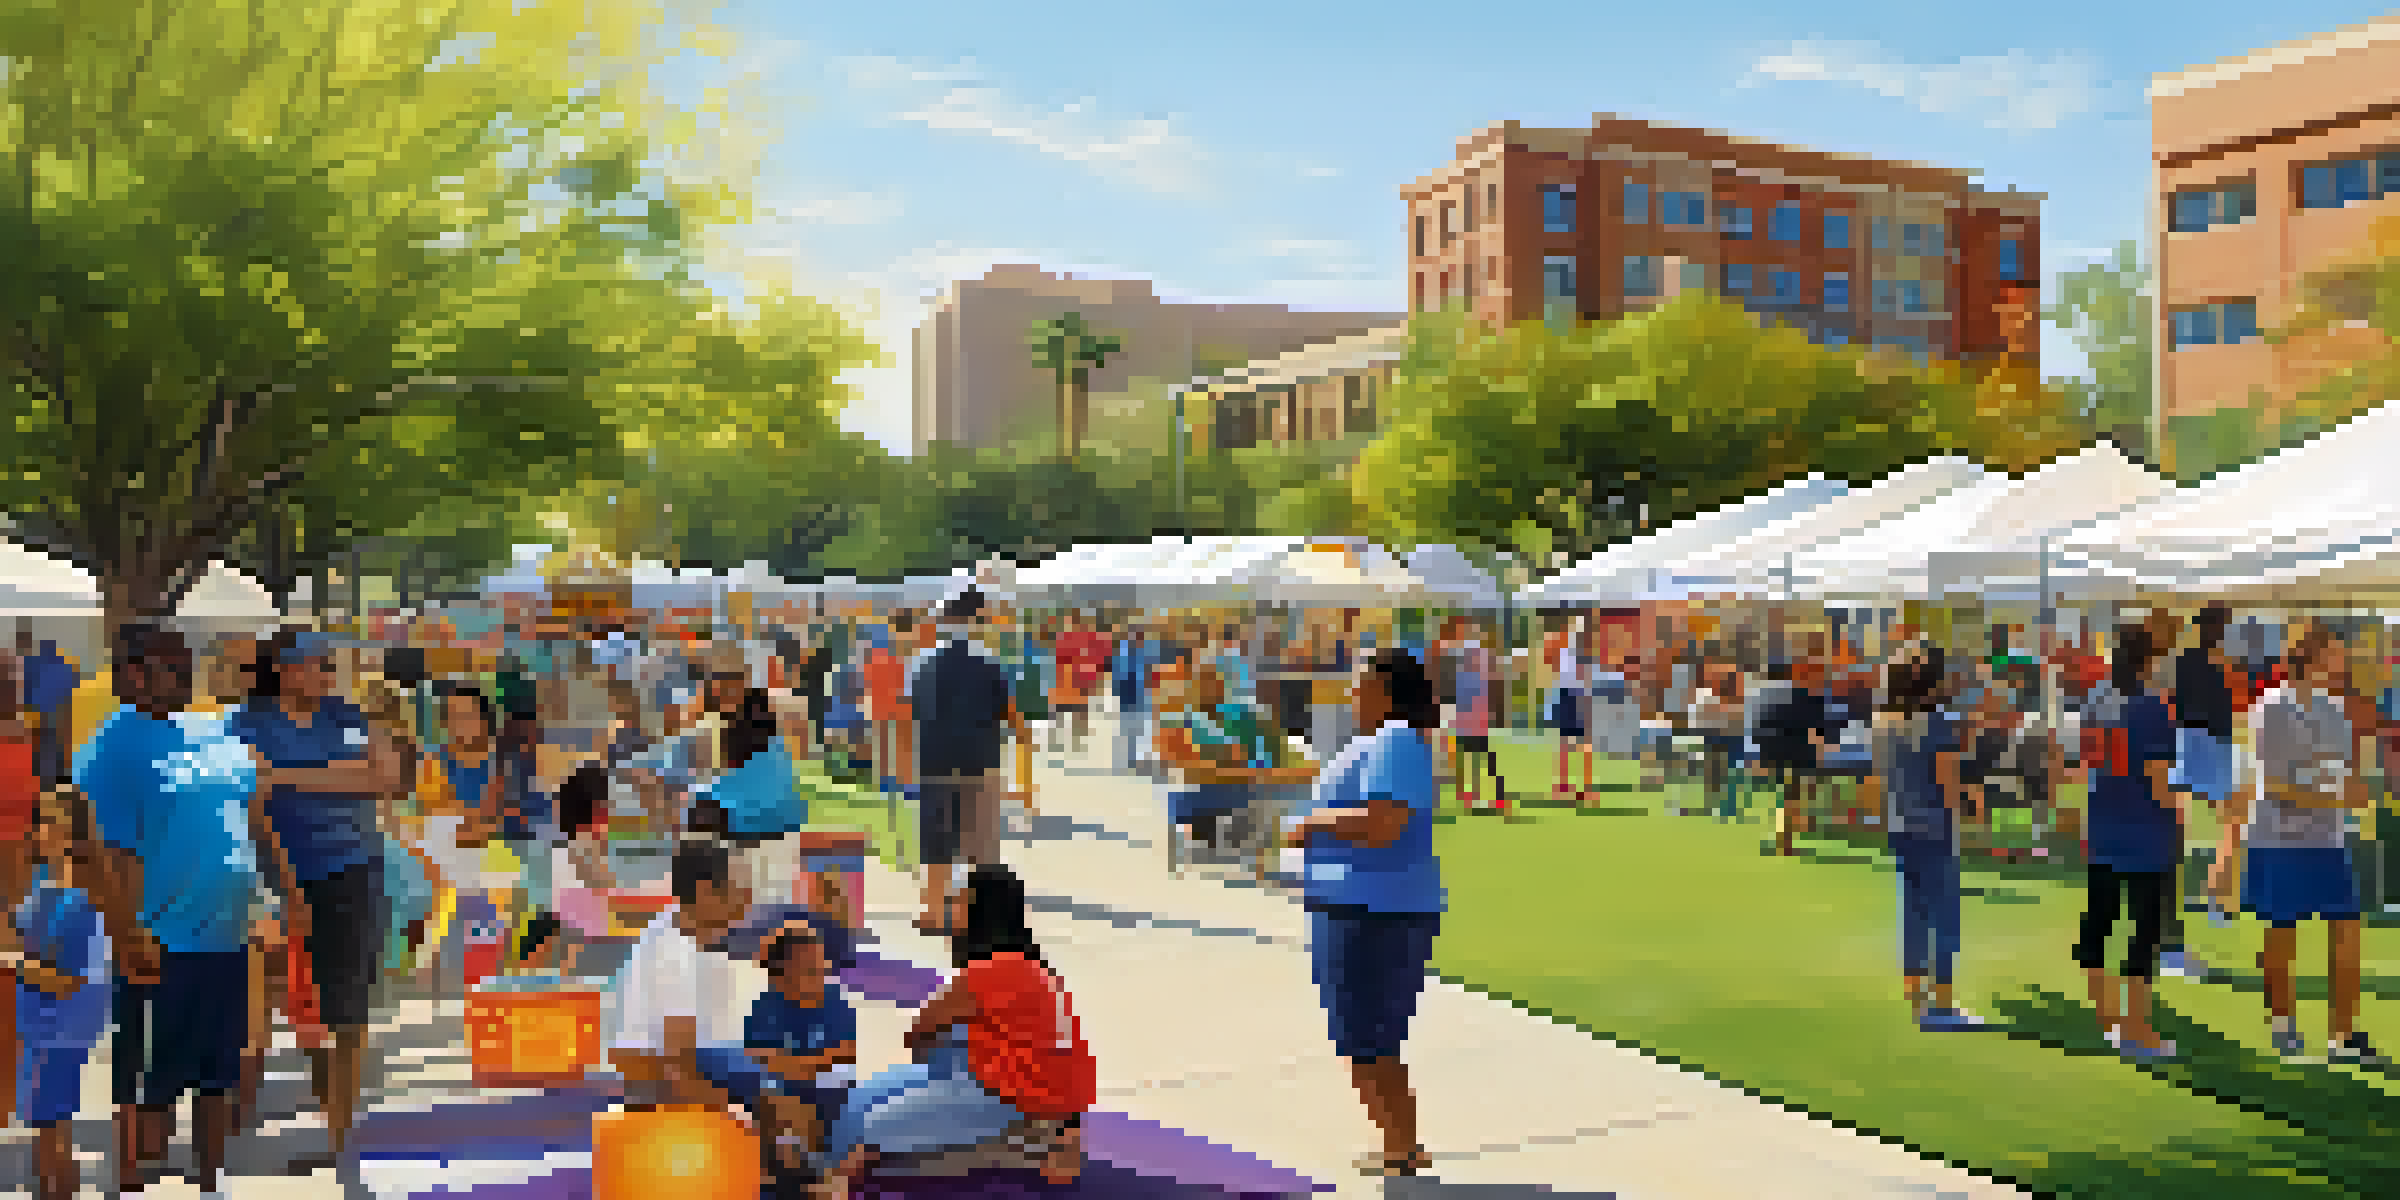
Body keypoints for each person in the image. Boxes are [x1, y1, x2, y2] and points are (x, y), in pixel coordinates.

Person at [76, 623, 262, 1198]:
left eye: (186, 666)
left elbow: (251, 811)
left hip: (227, 937)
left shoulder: (214, 731)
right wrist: (125, 934)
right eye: (171, 668)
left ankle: (211, 1182)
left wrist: (274, 897)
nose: (185, 677)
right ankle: (136, 1184)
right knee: (145, 1084)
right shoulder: (112, 747)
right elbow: (95, 853)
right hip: (158, 941)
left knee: (216, 1077)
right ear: (132, 673)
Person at [231, 629, 406, 1166]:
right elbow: (248, 794)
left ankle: (342, 1138)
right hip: (279, 881)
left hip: (355, 870)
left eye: (329, 666)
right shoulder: (245, 723)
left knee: (351, 1011)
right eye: (317, 665)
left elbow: (387, 779)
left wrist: (283, 775)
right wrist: (340, 777)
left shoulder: (347, 715)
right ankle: (324, 1117)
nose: (327, 675)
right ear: (286, 669)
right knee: (306, 1014)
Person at [814, 863, 1093, 1198]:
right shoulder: (1041, 972)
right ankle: (827, 1177)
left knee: (862, 1125)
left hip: (1002, 1098)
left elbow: (918, 1034)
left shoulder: (983, 974)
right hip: (1021, 1096)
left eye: (958, 904)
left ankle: (830, 1184)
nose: (950, 914)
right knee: (862, 1103)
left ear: (980, 913)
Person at [1282, 648, 1445, 1179]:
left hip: (1372, 909)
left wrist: (1313, 825)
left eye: (1361, 684)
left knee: (1367, 1041)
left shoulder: (1394, 740)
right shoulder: (1386, 742)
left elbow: (1383, 825)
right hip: (1362, 904)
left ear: (1388, 691)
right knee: (1365, 1040)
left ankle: (1402, 1152)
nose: (1353, 692)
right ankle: (1400, 1149)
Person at [2215, 626, 2384, 1065]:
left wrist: (2354, 790)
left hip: (2328, 838)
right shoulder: (2269, 707)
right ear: (2311, 656)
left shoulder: (2335, 709)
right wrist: (2337, 795)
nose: (2342, 662)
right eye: (2335, 653)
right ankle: (2283, 1024)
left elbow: (2342, 770)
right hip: (2276, 839)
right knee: (2281, 932)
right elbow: (2273, 785)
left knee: (2347, 927)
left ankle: (2344, 1034)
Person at [2072, 624, 2183, 1061]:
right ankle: (2137, 1030)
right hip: (2144, 830)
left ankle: (2107, 1020)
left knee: (2099, 921)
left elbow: (2086, 765)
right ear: (2150, 660)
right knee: (2144, 930)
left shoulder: (2096, 701)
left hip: (2102, 822)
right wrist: (2180, 810)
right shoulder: (2153, 708)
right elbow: (2158, 780)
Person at [903, 590, 1033, 934]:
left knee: (936, 840)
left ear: (944, 620)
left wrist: (903, 761)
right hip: (981, 760)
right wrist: (1024, 736)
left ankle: (933, 912)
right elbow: (1009, 713)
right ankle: (977, 917)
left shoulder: (921, 661)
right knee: (980, 844)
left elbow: (907, 714)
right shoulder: (991, 661)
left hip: (933, 761)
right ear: (978, 620)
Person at [7, 784, 112, 1200]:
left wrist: (11, 961)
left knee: (52, 1138)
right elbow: (27, 940)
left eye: (49, 822)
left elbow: (69, 980)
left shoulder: (82, 898)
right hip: (38, 1025)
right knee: (44, 1134)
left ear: (71, 832)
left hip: (60, 1029)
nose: (39, 831)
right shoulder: (41, 881)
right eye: (40, 822)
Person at [693, 919, 858, 1180]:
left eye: (821, 965)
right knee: (762, 1093)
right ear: (779, 975)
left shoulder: (835, 1002)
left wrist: (801, 1065)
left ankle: (809, 1163)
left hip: (828, 1101)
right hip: (779, 1103)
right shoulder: (765, 1008)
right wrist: (811, 1063)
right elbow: (762, 1064)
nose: (820, 972)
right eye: (808, 968)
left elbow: (846, 1054)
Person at [1873, 644, 1983, 1032]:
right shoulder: (1938, 721)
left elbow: (1882, 775)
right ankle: (1940, 1005)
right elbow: (1948, 781)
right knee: (1942, 917)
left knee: (1913, 913)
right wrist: (1967, 815)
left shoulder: (1883, 721)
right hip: (1934, 826)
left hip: (1900, 823)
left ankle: (1916, 992)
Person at [608, 838, 757, 1108]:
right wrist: (729, 1114)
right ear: (704, 893)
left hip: (665, 1066)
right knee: (774, 1088)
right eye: (738, 889)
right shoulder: (674, 953)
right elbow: (677, 1066)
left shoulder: (673, 924)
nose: (747, 899)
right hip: (654, 1077)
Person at [2165, 602, 2239, 976]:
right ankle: (2200, 909)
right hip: (2197, 742)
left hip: (2212, 744)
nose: (2221, 629)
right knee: (2180, 833)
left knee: (2229, 826)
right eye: (2218, 623)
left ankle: (2215, 900)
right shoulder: (2193, 660)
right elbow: (2180, 706)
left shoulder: (2212, 660)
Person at [1448, 620, 1506, 814]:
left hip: (1473, 715)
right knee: (1474, 756)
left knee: (1477, 756)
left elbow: (1488, 686)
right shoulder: (1471, 661)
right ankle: (1474, 795)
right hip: (1469, 715)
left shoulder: (1470, 660)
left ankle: (1481, 795)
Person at [23, 634, 81, 785]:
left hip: (40, 712)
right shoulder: (64, 664)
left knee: (43, 747)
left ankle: (44, 781)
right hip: (62, 711)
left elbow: (26, 688)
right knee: (60, 745)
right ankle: (60, 780)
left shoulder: (32, 663)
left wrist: (29, 707)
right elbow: (75, 684)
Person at [1552, 619, 1594, 805]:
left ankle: (1573, 787)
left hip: (1571, 697)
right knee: (1577, 744)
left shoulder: (1568, 652)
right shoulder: (1577, 653)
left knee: (1572, 744)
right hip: (1574, 697)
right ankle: (1577, 787)